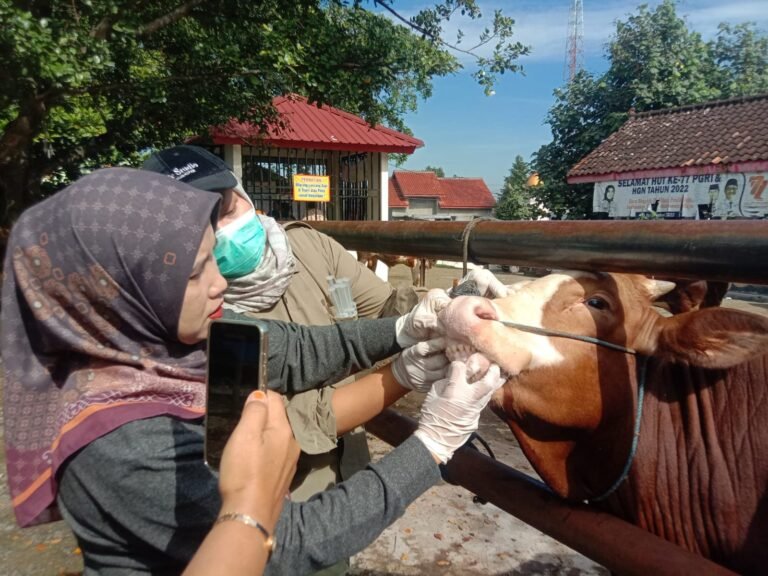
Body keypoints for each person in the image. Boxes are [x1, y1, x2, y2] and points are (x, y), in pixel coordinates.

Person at [1, 168, 506, 575]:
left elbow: (296, 350)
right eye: (197, 271)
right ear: (121, 288)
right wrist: (433, 443)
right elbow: (289, 541)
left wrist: (419, 324)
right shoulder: (122, 442)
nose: (221, 282)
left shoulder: (160, 343)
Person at [142, 145, 508, 520]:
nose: (219, 234)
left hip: (347, 468)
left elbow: (372, 320)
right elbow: (291, 420)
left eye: (224, 210)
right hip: (285, 497)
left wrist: (452, 303)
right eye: (196, 227)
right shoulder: (191, 316)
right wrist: (417, 411)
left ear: (243, 195)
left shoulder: (306, 246)